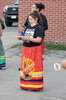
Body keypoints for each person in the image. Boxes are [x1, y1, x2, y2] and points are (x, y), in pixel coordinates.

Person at [18, 11, 44, 91]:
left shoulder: (39, 28)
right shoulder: (28, 27)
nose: (30, 21)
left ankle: (35, 85)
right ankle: (25, 84)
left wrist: (27, 38)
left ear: (36, 19)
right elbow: (26, 36)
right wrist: (21, 37)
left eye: (31, 19)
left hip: (35, 50)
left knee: (34, 66)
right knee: (25, 66)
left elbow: (39, 40)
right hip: (26, 49)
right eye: (29, 19)